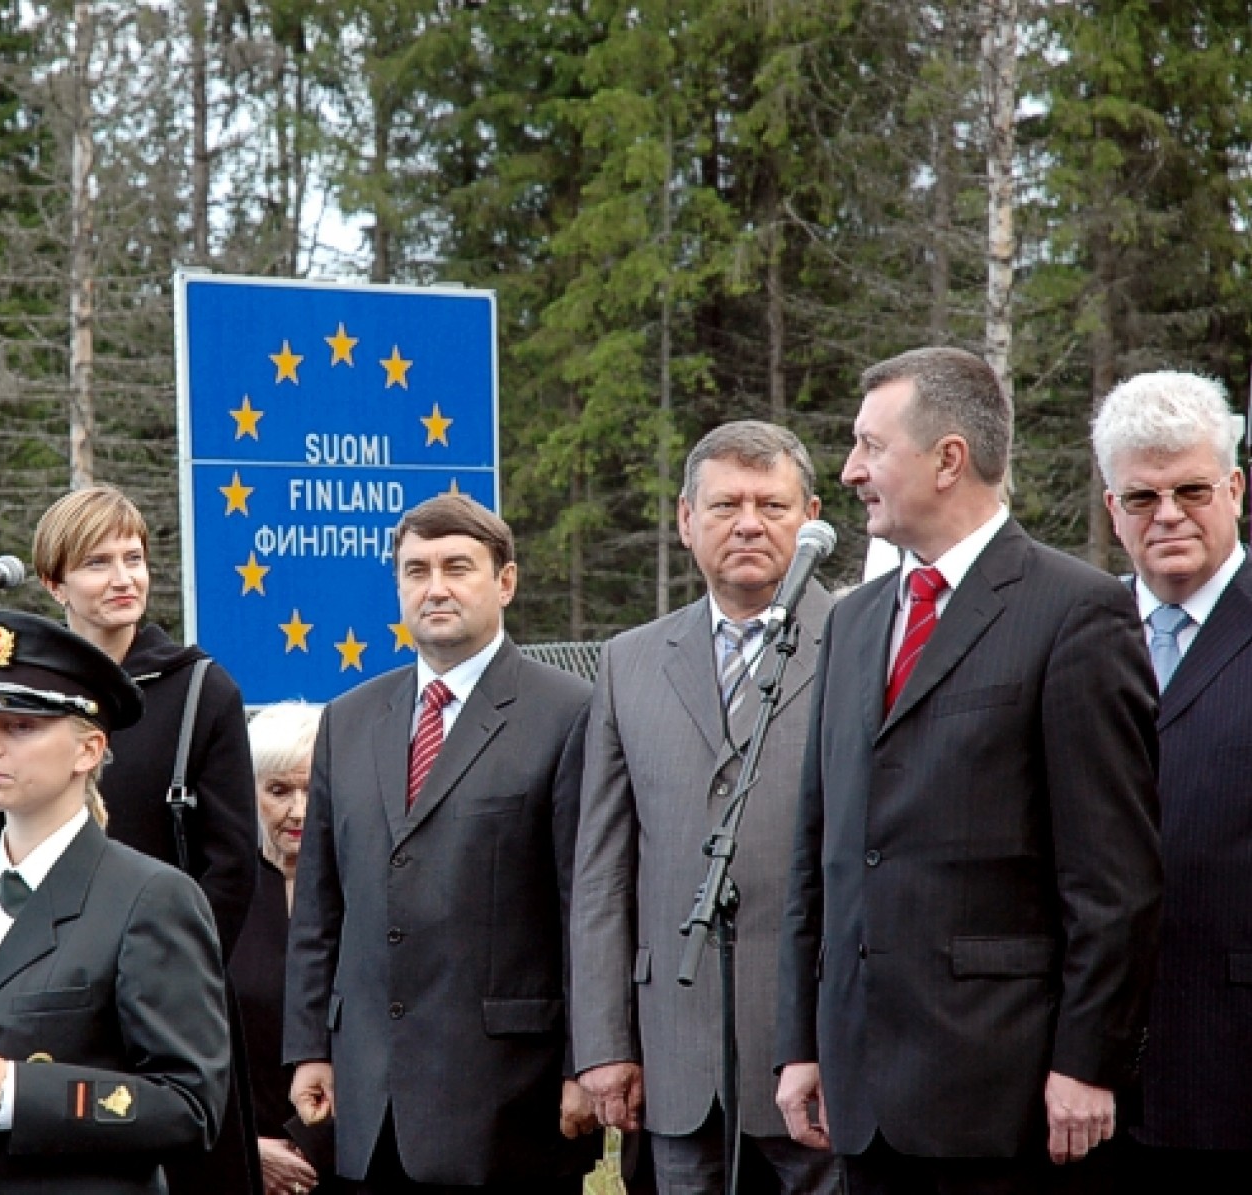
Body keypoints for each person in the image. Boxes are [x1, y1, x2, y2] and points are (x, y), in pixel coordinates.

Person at [773, 347, 1162, 1194]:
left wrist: (1087, 1062)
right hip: (861, 1094)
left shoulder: (1075, 612)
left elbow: (1113, 877)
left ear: (949, 458)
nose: (850, 471)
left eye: (872, 446)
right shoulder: (852, 622)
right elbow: (819, 853)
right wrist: (801, 1042)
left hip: (1002, 1096)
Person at [285, 493, 597, 1194]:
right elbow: (318, 908)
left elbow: (587, 907)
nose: (435, 588)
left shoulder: (569, 713)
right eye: (416, 570)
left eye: (457, 567)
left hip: (508, 1102)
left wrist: (587, 1061)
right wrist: (308, 1046)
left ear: (505, 582)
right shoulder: (349, 719)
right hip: (370, 1100)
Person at [0, 484, 260, 1194]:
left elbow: (230, 869)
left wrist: (161, 980)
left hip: (163, 1005)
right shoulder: (10, 694)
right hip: (34, 1011)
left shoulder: (201, 690)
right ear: (54, 582)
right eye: (98, 563)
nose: (124, 579)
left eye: (134, 559)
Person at [0, 610, 231, 1193]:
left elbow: (190, 1106)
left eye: (21, 727)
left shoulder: (150, 897)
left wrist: (15, 1090)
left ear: (88, 750)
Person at [572, 421, 839, 1195]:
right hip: (676, 1059)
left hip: (818, 1056)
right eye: (725, 505)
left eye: (771, 505)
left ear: (810, 517)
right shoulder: (628, 662)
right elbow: (602, 871)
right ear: (687, 520)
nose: (748, 523)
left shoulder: (862, 642)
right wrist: (604, 1042)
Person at [1091, 371, 1252, 1185]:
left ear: (1235, 489)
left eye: (1191, 490)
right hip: (1090, 1085)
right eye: (1141, 496)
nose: (1168, 515)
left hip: (1235, 1071)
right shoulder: (1081, 635)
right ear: (1111, 507)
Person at [229, 701, 339, 1195]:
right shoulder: (217, 897)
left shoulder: (366, 893)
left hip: (347, 1158)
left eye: (313, 791)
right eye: (278, 791)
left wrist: (312, 1146)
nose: (299, 811)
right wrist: (242, 1147)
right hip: (241, 1157)